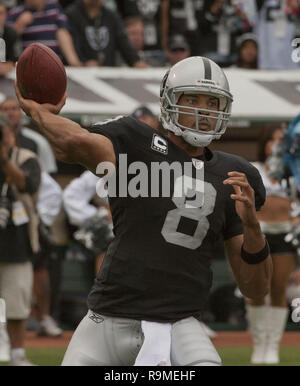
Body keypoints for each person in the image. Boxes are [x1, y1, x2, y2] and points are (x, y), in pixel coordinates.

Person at [15, 56, 272, 366]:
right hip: (107, 318)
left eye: (212, 102)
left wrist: (254, 228)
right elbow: (73, 143)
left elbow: (256, 288)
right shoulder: (135, 141)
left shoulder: (236, 174)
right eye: (192, 99)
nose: (203, 111)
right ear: (168, 102)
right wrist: (40, 113)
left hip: (179, 323)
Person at [247, 126, 297, 364]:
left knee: (278, 288)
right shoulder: (253, 169)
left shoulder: (293, 171)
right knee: (258, 289)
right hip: (259, 233)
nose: (276, 145)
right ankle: (258, 344)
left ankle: (272, 346)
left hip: (285, 234)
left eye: (280, 140)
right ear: (264, 143)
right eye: (272, 140)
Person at [0, 112, 41, 366]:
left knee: (16, 302)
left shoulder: (27, 158)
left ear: (12, 135)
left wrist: (5, 158)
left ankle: (17, 355)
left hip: (17, 243)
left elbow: (27, 185)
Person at [65, 0, 146, 68]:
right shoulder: (71, 15)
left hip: (108, 72)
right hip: (81, 74)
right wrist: (83, 62)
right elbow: (72, 43)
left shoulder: (111, 16)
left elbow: (123, 42)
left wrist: (136, 61)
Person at [7, 0, 82, 66]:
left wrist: (74, 62)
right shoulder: (16, 12)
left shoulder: (54, 8)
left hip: (55, 64)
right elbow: (6, 40)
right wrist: (19, 24)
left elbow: (63, 33)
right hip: (29, 66)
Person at [0, 98, 57, 175]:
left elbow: (49, 171)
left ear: (21, 112)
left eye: (14, 109)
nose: (10, 113)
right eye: (5, 109)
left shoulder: (37, 140)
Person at [0, 0, 20, 77]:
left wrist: (8, 65)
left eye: (1, 13)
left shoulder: (11, 34)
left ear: (6, 15)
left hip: (6, 77)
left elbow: (15, 60)